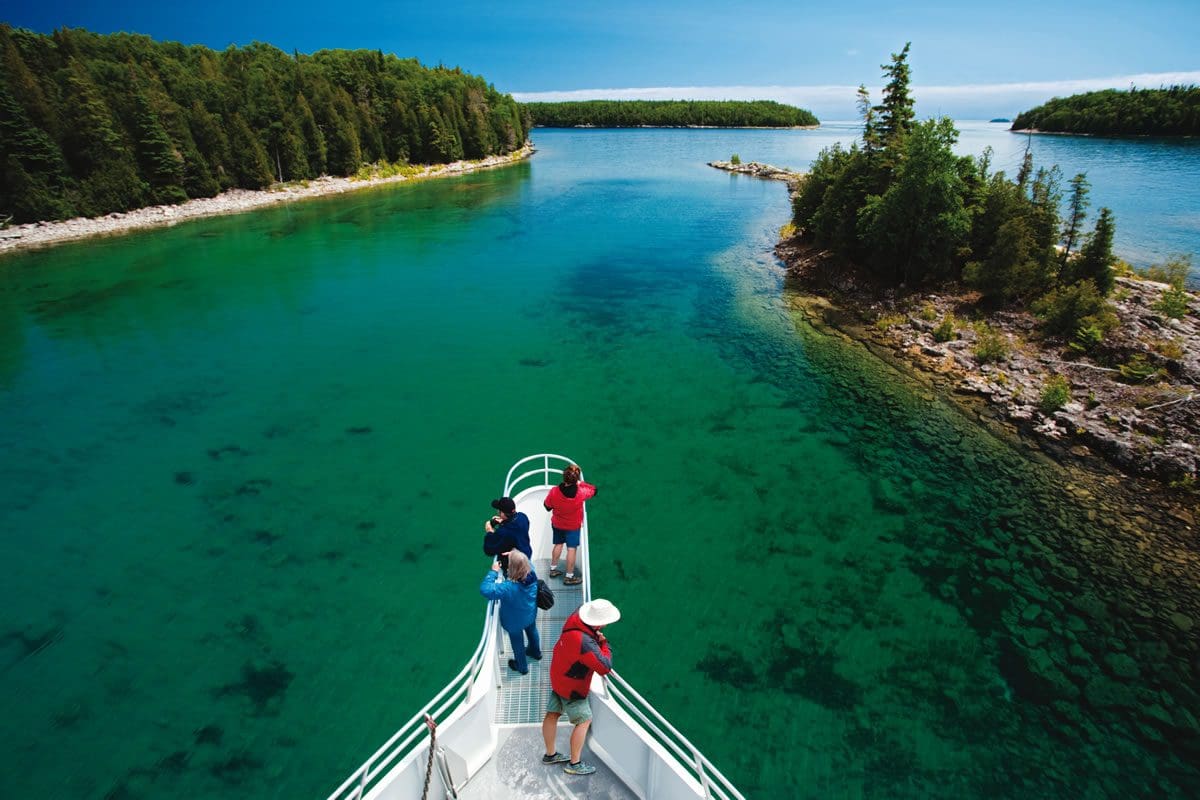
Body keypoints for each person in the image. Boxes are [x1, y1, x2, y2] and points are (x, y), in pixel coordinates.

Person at [541, 598, 620, 776]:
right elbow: (604, 667)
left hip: (558, 676)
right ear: (599, 623)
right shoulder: (586, 642)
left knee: (552, 714)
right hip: (573, 687)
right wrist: (604, 644)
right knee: (584, 720)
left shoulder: (575, 618)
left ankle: (550, 754)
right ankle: (574, 764)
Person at [479, 550, 541, 674]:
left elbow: (485, 589)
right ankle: (536, 652)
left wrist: (494, 572)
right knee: (532, 631)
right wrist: (515, 554)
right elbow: (525, 562)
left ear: (512, 567)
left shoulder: (508, 587)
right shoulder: (532, 574)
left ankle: (522, 667)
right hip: (530, 614)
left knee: (517, 642)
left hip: (514, 621)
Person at [543, 464, 596, 586]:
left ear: (564, 477)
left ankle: (553, 569)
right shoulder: (581, 493)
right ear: (576, 479)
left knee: (558, 544)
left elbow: (547, 507)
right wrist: (581, 483)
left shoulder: (554, 491)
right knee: (571, 549)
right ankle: (569, 577)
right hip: (572, 526)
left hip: (557, 523)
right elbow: (594, 490)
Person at [482, 496, 531, 574]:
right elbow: (514, 530)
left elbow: (489, 550)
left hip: (513, 567)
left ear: (503, 513)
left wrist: (489, 531)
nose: (498, 512)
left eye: (499, 511)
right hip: (526, 557)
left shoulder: (503, 532)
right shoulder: (523, 517)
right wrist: (503, 522)